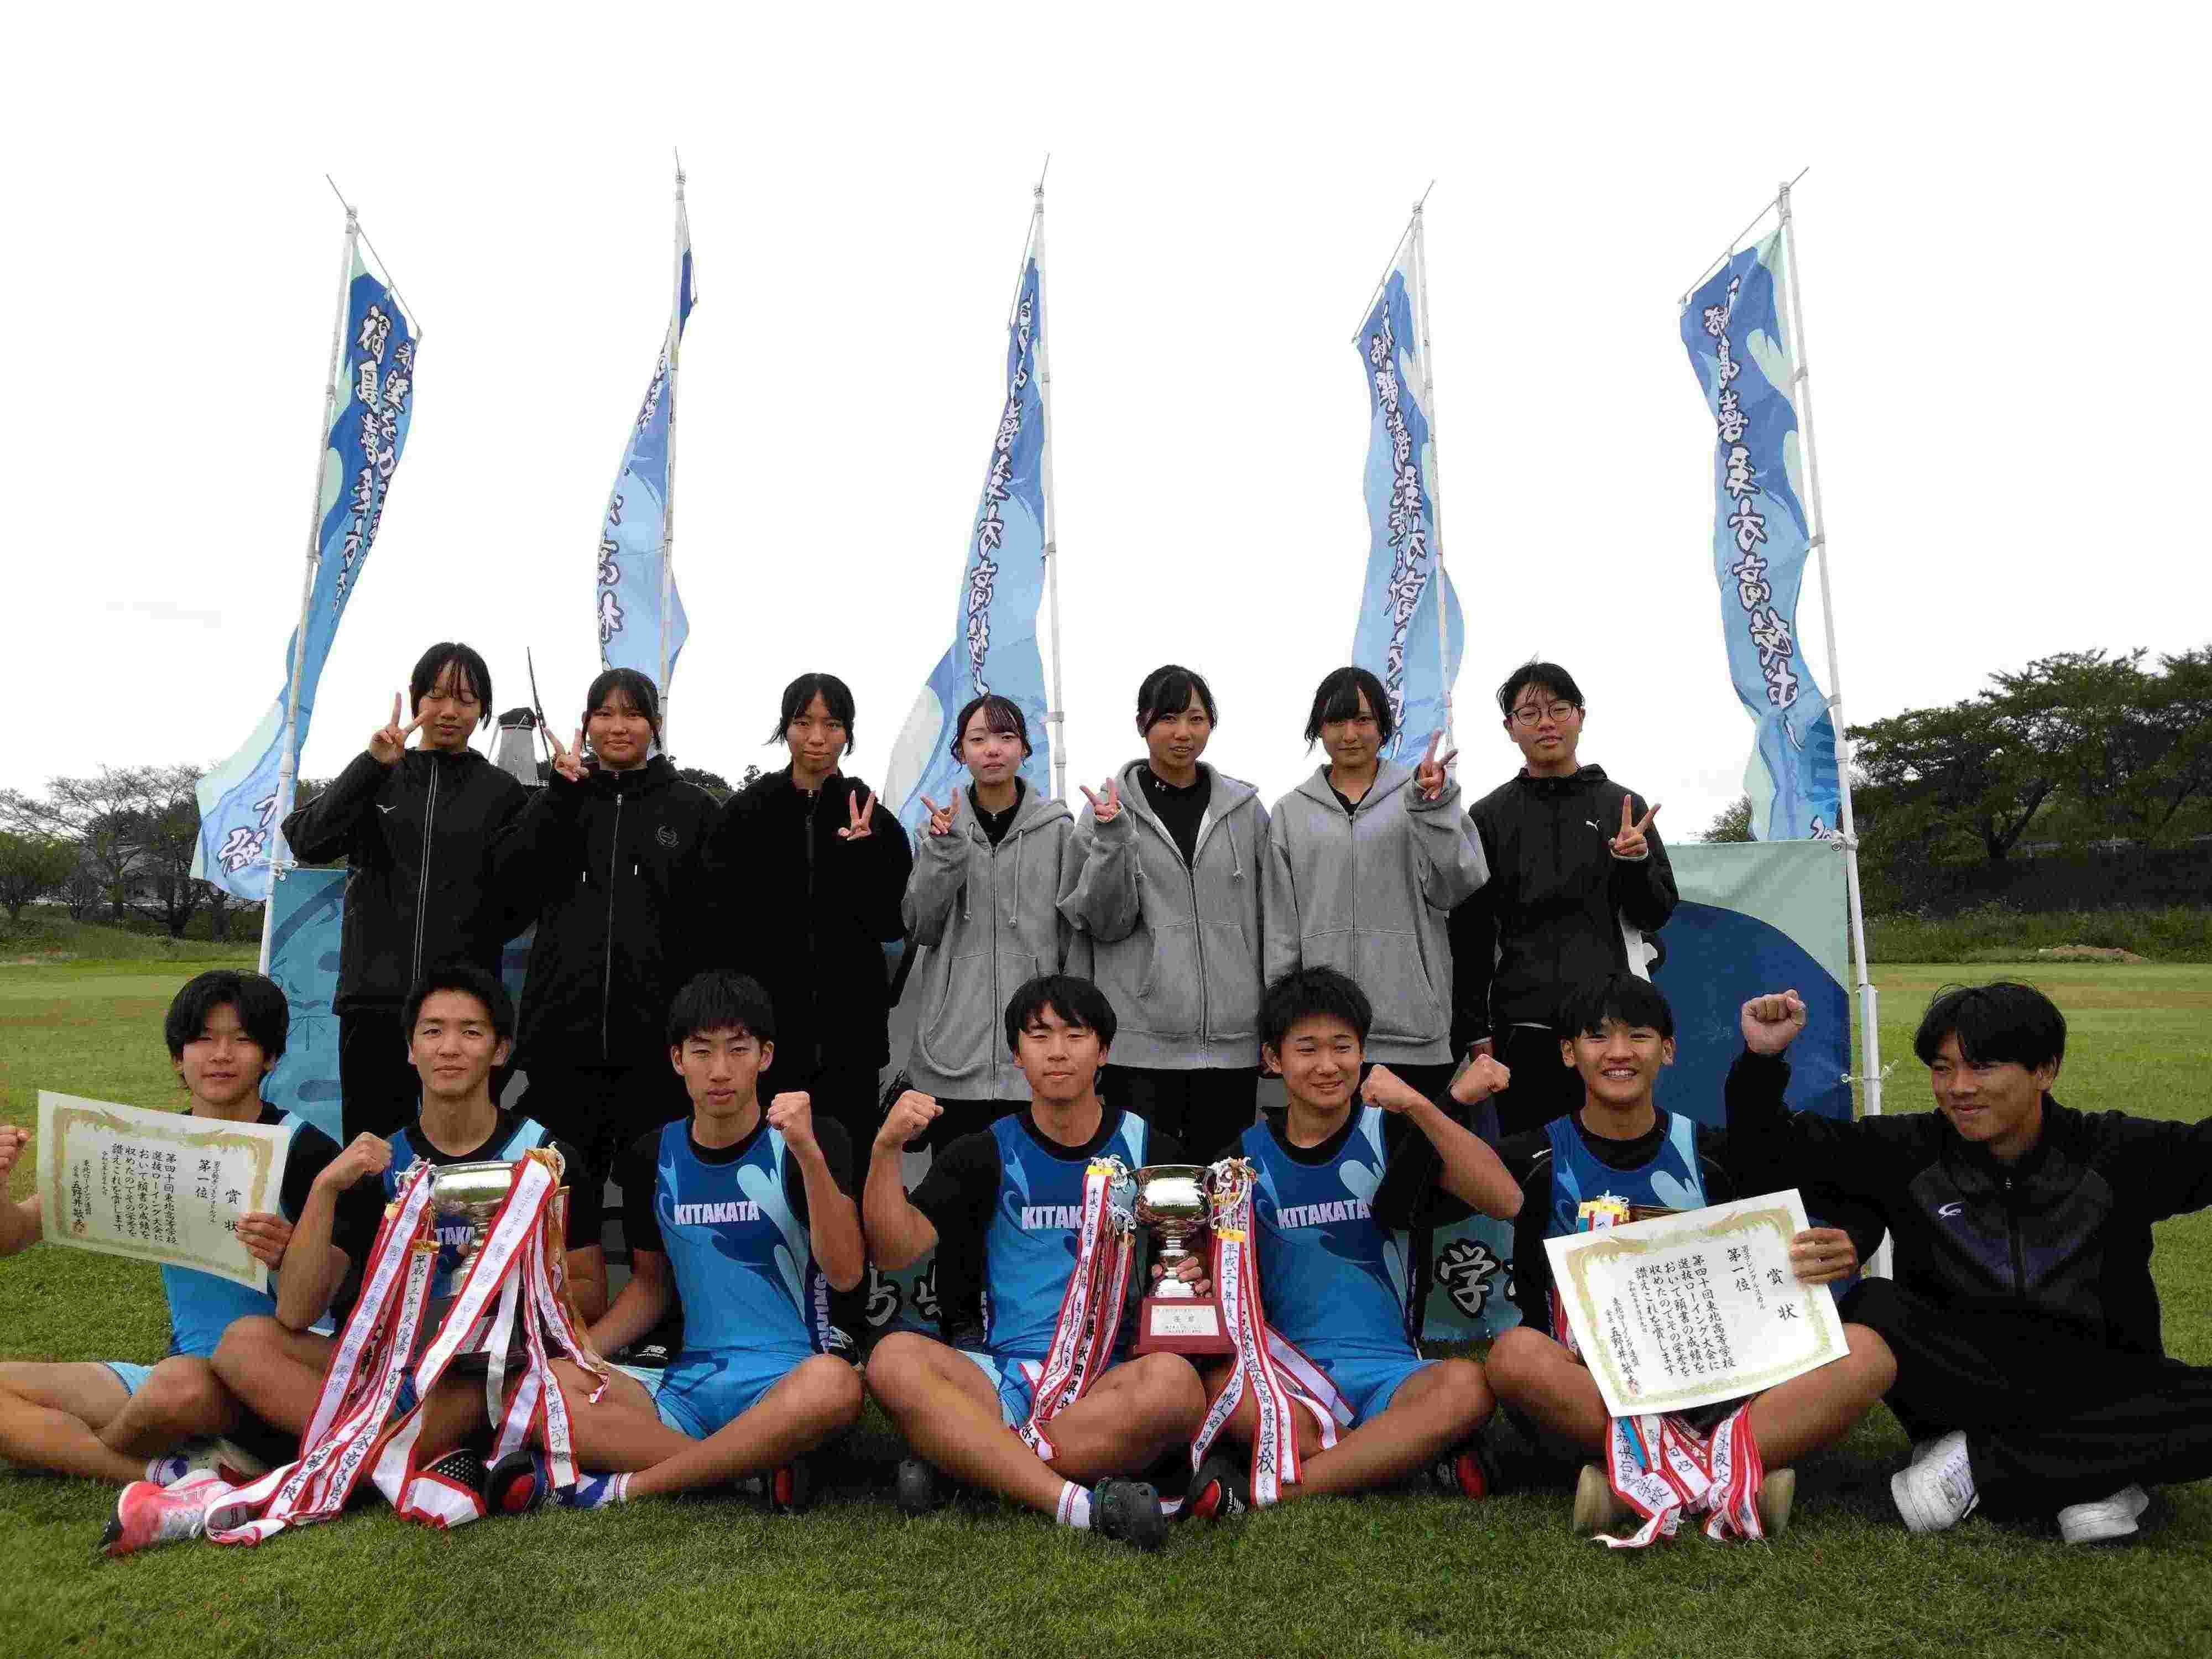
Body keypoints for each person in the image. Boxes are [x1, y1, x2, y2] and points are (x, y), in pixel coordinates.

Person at [1726, 980, 2212, 1544]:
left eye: (1981, 1068)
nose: (1957, 1088)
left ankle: (1982, 1467)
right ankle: (2094, 1469)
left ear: (2045, 1070)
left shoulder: (2114, 1152)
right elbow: (1768, 1157)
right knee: (1876, 1304)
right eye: (1941, 1068)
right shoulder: (1906, 1149)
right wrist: (1761, 1062)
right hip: (1962, 1381)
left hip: (2098, 1381)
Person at [1479, 973, 1894, 1538]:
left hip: (1723, 1385)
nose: (1619, 1053)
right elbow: (1417, 1200)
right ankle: (1733, 1475)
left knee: (1868, 1355)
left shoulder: (1715, 1154)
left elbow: (1851, 1190)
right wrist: (1444, 1105)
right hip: (1599, 1391)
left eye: (1640, 1037)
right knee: (1514, 1358)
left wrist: (1853, 1241)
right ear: (1568, 1053)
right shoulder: (1533, 1155)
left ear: (1668, 1051)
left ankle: (1639, 1486)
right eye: (1598, 1038)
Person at [481, 971, 865, 1514]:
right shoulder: (650, 1155)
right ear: (677, 1060)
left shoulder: (816, 1138)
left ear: (766, 1056)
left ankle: (621, 1487)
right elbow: (649, 1287)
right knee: (538, 1384)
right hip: (686, 1388)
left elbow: (846, 1273)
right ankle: (742, 1472)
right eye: (702, 1052)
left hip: (790, 1382)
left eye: (738, 1050)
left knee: (838, 1386)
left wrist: (806, 1153)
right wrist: (581, 1354)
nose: (720, 1070)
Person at [863, 975, 1206, 1550]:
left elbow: (1193, 1260)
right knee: (892, 1359)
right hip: (1006, 1376)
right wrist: (884, 1150)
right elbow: (896, 1251)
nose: (1057, 1050)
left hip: (1110, 1382)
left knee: (1176, 1388)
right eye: (1039, 1035)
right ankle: (1073, 1501)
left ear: (1104, 1051)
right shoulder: (984, 1150)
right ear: (1015, 1055)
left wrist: (1189, 1277)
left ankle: (972, 1462)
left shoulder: (1151, 1147)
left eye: (1075, 1034)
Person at [203, 965, 605, 1454]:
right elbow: (296, 1311)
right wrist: (326, 1188)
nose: (449, 1048)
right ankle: (400, 1460)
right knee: (243, 1343)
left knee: (518, 1382)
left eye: (471, 1032)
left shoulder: (546, 1157)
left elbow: (590, 1291)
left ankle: (370, 1459)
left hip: (490, 1373)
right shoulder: (376, 1165)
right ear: (411, 1050)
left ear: (500, 1050)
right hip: (386, 1374)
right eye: (433, 1032)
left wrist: (497, 1312)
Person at [0, 972, 378, 1490]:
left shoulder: (310, 1153)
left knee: (176, 1390)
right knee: (166, 1384)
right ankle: (168, 1476)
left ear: (269, 1057)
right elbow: (14, 1233)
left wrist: (291, 1253)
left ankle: (93, 1451)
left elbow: (327, 1300)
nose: (221, 1054)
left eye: (242, 1039)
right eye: (203, 1039)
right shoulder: (150, 1146)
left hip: (274, 1377)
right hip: (183, 1369)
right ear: (178, 1057)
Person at [1182, 967, 1521, 1520]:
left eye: (1343, 1048)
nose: (1327, 1065)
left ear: (1362, 1053)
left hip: (1392, 1377)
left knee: (1466, 1386)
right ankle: (1393, 1455)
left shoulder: (1389, 1134)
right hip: (1282, 1381)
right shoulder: (1238, 1160)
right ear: (1273, 1060)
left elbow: (1505, 1199)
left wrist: (1422, 1106)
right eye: (1307, 1049)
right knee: (1208, 1384)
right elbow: (1207, 1269)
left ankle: (1287, 1482)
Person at [281, 643, 530, 1140]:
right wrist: (371, 764)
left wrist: (471, 938)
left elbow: (520, 897)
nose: (450, 711)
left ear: (483, 710)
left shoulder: (502, 792)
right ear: (416, 700)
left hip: (463, 1010)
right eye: (437, 696)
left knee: (466, 1144)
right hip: (373, 1003)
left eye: (465, 699)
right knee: (374, 1152)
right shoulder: (380, 776)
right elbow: (309, 841)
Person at [497, 667, 719, 1185]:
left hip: (660, 1054)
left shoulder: (693, 810)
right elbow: (507, 890)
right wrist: (557, 795)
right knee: (563, 1201)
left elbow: (716, 930)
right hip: (560, 1048)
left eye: (633, 714)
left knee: (657, 1200)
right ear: (586, 724)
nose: (619, 727)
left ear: (655, 725)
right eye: (605, 714)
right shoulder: (558, 803)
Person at [1449, 660, 1677, 1138]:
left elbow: (1654, 913)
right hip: (1522, 1027)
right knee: (1533, 1166)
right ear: (1510, 728)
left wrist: (1633, 864)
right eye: (1529, 713)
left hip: (1610, 1028)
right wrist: (1474, 1029)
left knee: (1618, 1153)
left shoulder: (1624, 807)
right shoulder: (1488, 815)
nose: (1547, 722)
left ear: (1580, 716)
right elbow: (1470, 932)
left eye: (1559, 708)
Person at [1060, 664, 1269, 1161]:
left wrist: (1273, 1022)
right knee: (1148, 1197)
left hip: (1232, 1043)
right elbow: (1100, 921)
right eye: (1168, 718)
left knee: (1223, 1196)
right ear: (1142, 724)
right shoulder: (1106, 811)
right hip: (1140, 1044)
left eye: (1196, 719)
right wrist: (1112, 841)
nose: (1183, 733)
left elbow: (1273, 918)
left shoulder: (1246, 811)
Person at [1264, 666, 1487, 1100]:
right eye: (1336, 721)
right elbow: (1280, 927)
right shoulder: (1289, 812)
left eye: (1364, 720)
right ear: (1319, 730)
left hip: (1414, 1031)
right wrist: (1280, 1020)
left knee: (1412, 1162)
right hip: (1324, 1039)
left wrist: (1434, 810)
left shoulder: (1423, 795)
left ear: (1384, 727)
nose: (1350, 734)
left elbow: (1460, 884)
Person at [713, 672, 912, 1154]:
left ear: (849, 733)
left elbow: (892, 924)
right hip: (763, 1035)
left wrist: (863, 857)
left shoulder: (875, 819)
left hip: (852, 1036)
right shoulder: (745, 813)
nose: (818, 738)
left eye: (833, 724)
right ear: (785, 728)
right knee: (767, 1165)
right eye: (803, 723)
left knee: (849, 1163)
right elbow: (717, 920)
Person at [903, 692, 1078, 1151]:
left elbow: (1078, 931)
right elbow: (921, 925)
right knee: (958, 1196)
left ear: (1025, 748)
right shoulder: (938, 829)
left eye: (1006, 736)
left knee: (1033, 1195)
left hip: (1039, 1046)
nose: (993, 749)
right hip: (954, 1049)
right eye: (978, 739)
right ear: (961, 752)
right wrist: (943, 854)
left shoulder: (1059, 828)